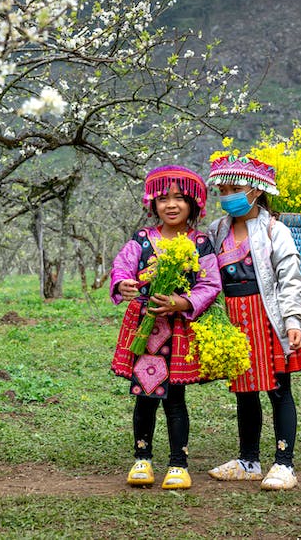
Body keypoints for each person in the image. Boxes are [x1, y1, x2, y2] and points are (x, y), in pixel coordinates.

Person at [110, 166, 221, 490]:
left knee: (175, 398)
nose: (171, 205)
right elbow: (122, 267)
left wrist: (183, 303)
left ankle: (178, 464)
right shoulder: (142, 240)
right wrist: (124, 284)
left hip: (179, 332)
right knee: (143, 395)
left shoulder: (200, 243)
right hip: (145, 330)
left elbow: (210, 283)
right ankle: (141, 460)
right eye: (163, 199)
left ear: (193, 203)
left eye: (179, 198)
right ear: (153, 204)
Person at [205, 155, 301, 490]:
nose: (228, 195)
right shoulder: (216, 230)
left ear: (256, 190)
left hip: (267, 318)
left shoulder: (274, 231)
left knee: (279, 390)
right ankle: (249, 461)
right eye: (223, 189)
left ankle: (284, 463)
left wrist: (293, 320)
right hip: (234, 320)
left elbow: (290, 279)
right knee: (244, 392)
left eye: (235, 188)